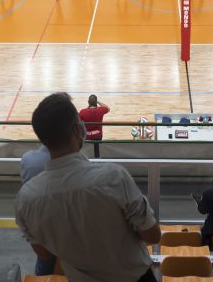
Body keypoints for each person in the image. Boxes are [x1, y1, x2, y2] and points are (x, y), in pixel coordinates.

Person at [15, 93, 160, 282]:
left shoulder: (25, 199)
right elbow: (152, 235)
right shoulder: (114, 177)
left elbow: (43, 253)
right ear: (78, 129)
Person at [19, 143, 53, 275]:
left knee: (45, 262)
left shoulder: (28, 159)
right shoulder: (80, 165)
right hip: (68, 232)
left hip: (39, 228)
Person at [78, 94, 110, 159]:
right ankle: (97, 157)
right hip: (98, 136)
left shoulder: (82, 111)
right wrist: (98, 101)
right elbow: (107, 108)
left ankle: (81, 157)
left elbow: (77, 121)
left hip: (86, 136)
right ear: (96, 102)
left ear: (88, 102)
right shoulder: (100, 110)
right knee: (96, 142)